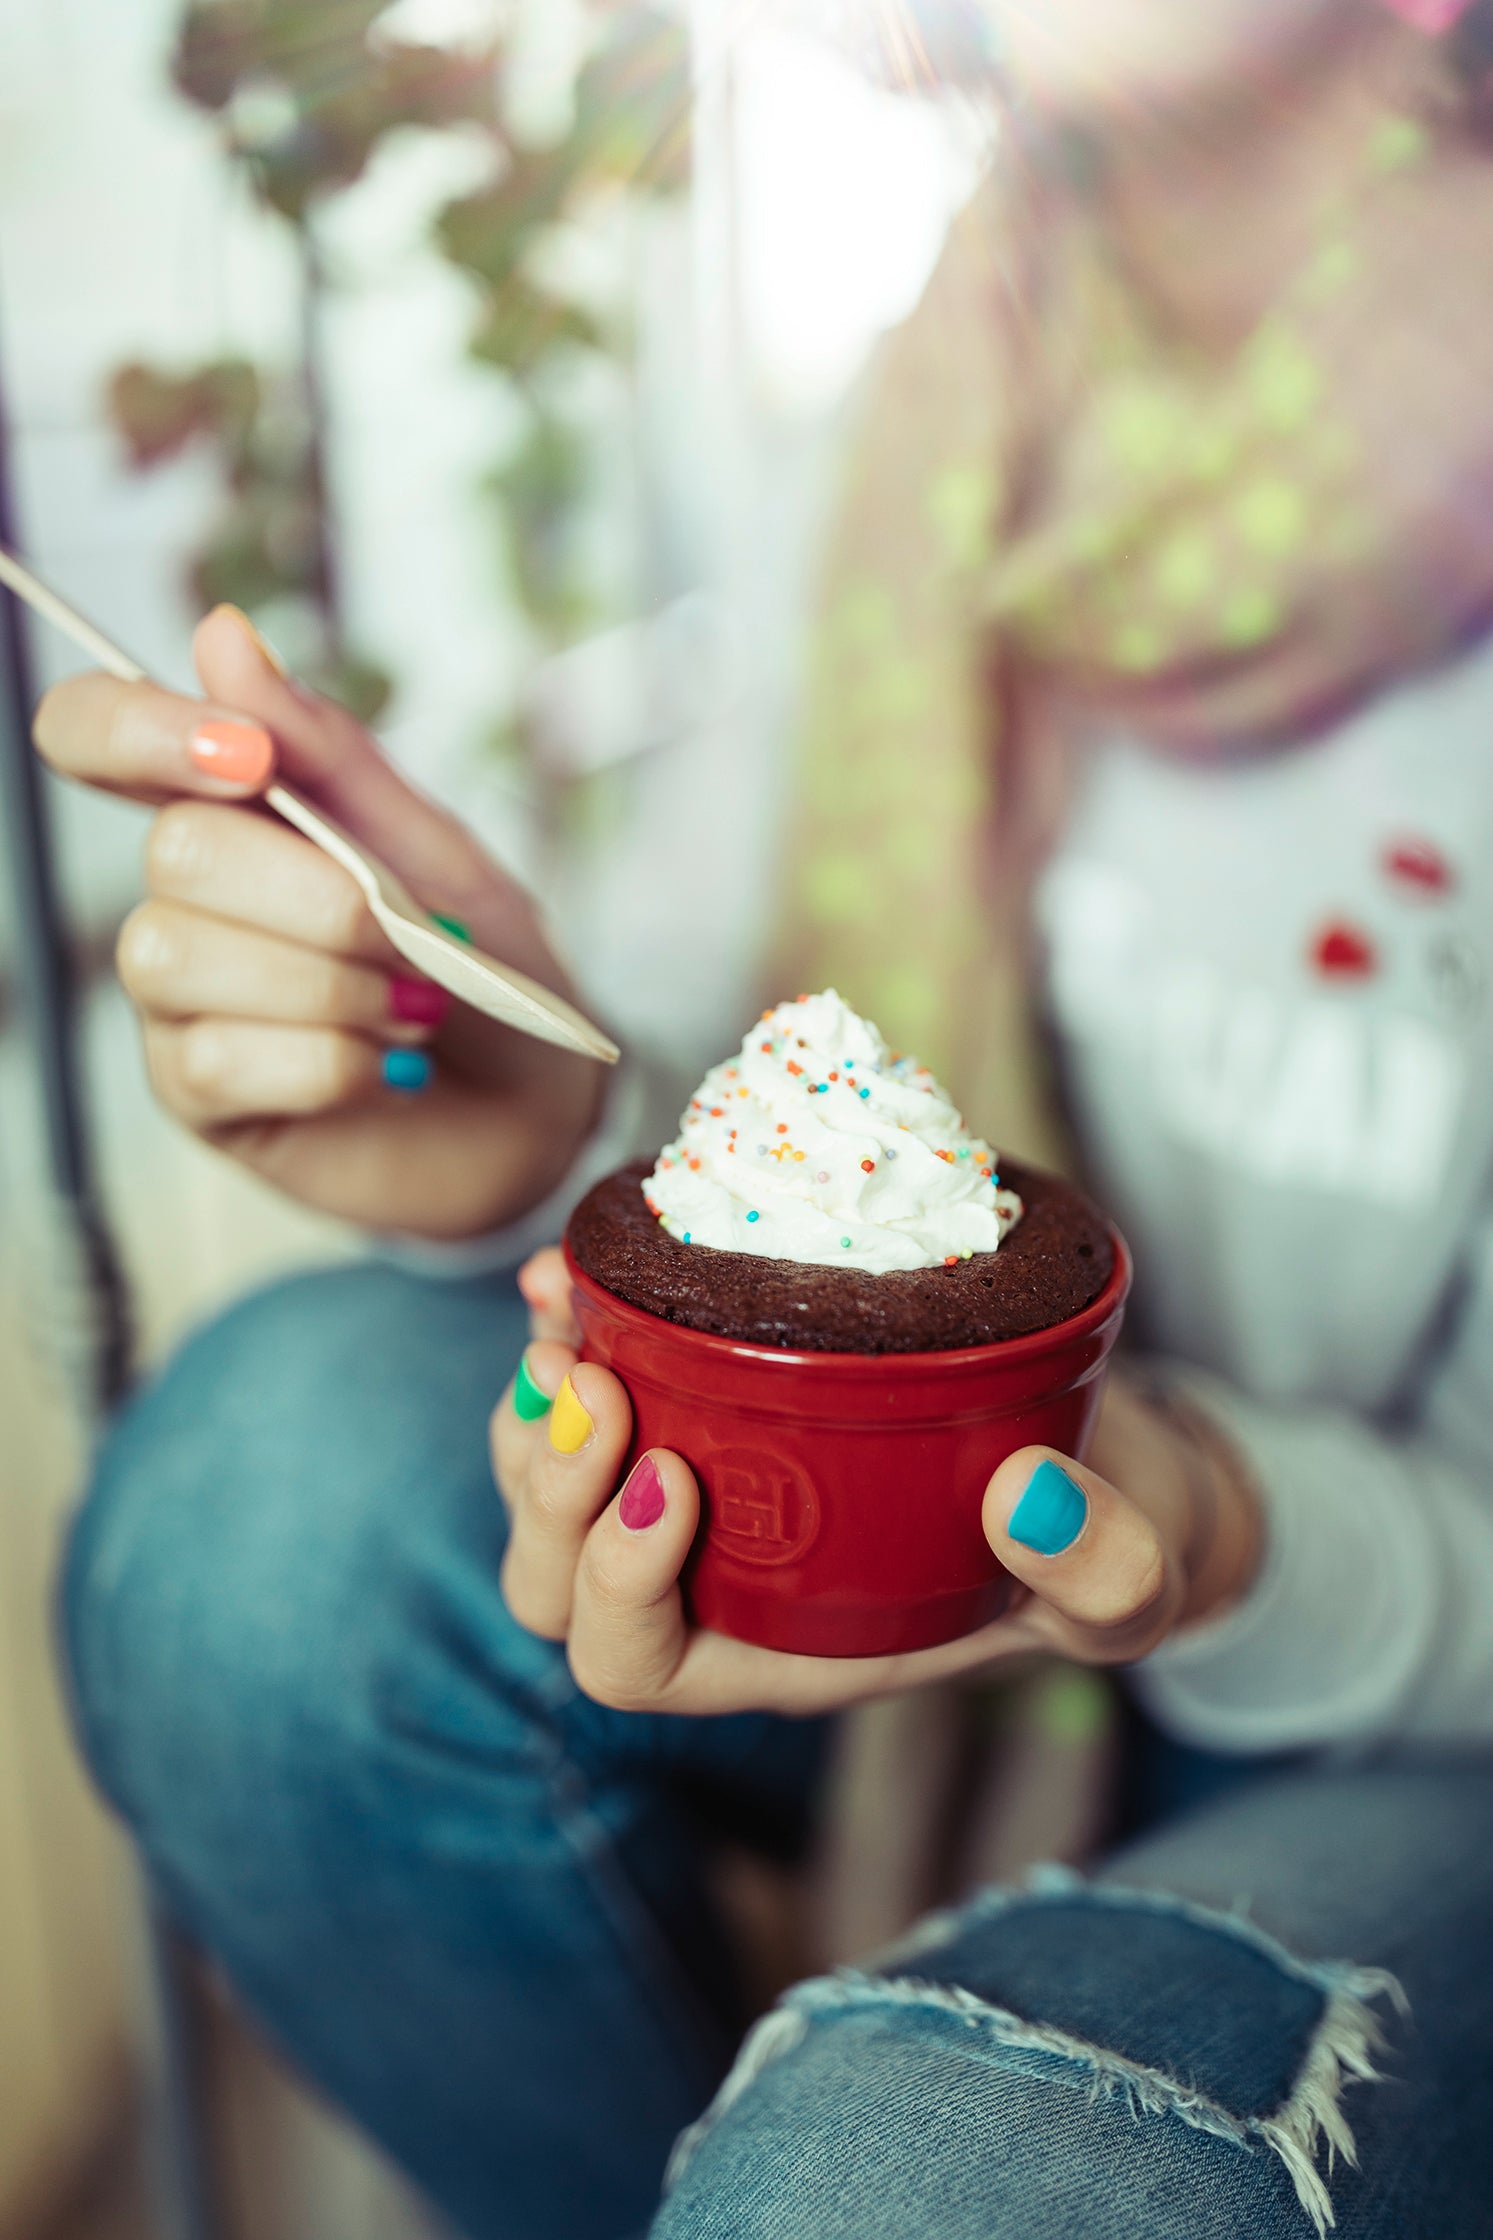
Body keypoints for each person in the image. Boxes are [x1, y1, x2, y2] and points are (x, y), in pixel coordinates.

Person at [39, 1, 1493, 2233]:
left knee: (924, 2172)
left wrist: (1211, 1519)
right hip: (953, 1593)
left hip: (1412, 1705)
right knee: (252, 1513)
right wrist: (507, 1109)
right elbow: (752, 1112)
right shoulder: (938, 385)